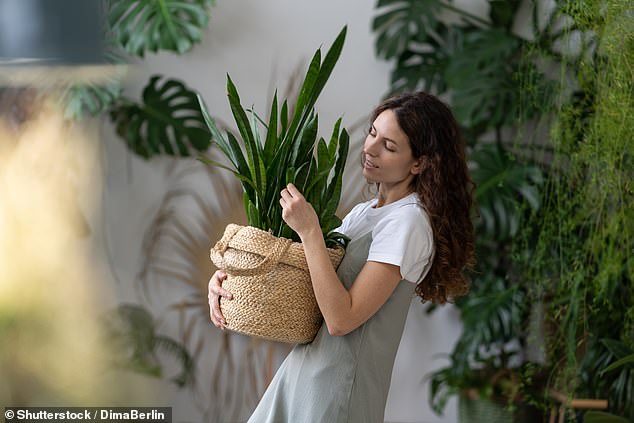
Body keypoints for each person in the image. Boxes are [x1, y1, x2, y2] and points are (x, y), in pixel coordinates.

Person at [208, 91, 475, 423]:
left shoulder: (408, 222)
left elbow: (341, 319)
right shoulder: (365, 213)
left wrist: (310, 232)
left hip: (336, 392)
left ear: (419, 163)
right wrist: (230, 280)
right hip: (305, 373)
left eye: (389, 147)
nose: (370, 149)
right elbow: (307, 286)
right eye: (373, 134)